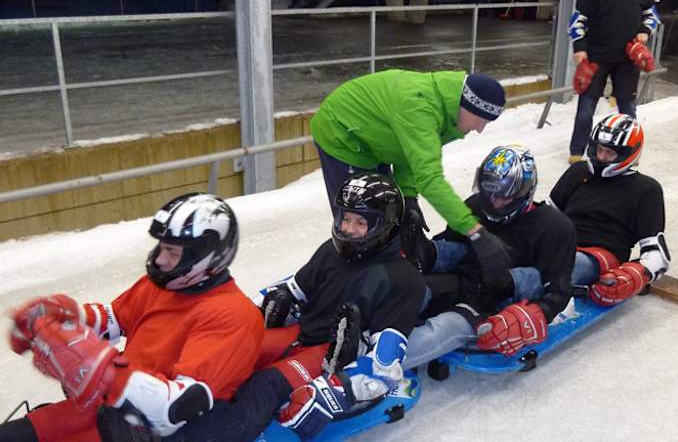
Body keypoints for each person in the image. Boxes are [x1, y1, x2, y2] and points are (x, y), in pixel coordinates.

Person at [165, 172, 427, 442]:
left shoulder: (403, 280)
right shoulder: (332, 251)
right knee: (227, 349)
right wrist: (259, 311)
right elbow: (294, 290)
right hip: (301, 333)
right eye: (346, 218)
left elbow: (384, 365)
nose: (348, 228)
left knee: (264, 386)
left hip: (333, 356)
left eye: (360, 222)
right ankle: (157, 405)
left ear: (385, 226)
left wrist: (332, 392)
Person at [0, 193, 264, 442]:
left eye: (173, 252)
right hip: (108, 410)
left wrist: (105, 373)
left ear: (208, 257)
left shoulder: (234, 316)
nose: (160, 260)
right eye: (162, 247)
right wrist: (70, 318)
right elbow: (115, 319)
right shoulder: (158, 286)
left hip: (151, 432)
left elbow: (175, 409)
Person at [310, 69, 512, 277]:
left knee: (389, 216)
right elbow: (430, 180)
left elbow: (406, 152)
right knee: (362, 222)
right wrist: (473, 231)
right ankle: (348, 278)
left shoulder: (446, 110)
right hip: (342, 134)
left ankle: (385, 273)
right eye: (481, 120)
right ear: (467, 106)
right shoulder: (420, 107)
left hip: (372, 139)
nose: (480, 129)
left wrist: (408, 197)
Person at [398, 145, 577, 366]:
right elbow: (451, 246)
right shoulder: (476, 206)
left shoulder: (555, 227)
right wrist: (424, 251)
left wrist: (537, 312)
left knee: (442, 328)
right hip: (461, 282)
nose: (494, 202)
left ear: (525, 191)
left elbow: (559, 290)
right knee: (407, 291)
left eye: (503, 197)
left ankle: (372, 370)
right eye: (489, 193)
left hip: (497, 306)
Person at [550, 114, 670, 306]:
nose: (601, 158)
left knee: (558, 269)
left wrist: (636, 274)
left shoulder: (646, 189)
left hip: (599, 256)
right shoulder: (578, 172)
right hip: (562, 244)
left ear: (628, 154)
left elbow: (657, 253)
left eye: (610, 153)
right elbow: (547, 217)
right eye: (599, 150)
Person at [567, 0, 661, 164]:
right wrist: (579, 47)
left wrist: (645, 31)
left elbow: (652, 15)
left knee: (627, 107)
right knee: (586, 107)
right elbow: (577, 19)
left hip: (627, 59)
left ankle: (629, 151)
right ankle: (577, 152)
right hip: (596, 58)